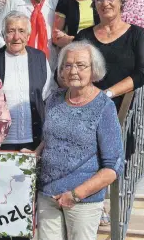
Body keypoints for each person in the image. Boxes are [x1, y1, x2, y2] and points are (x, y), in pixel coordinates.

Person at [36, 41, 124, 240]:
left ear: (94, 70)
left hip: (82, 200)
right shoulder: (55, 98)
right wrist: (36, 153)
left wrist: (75, 194)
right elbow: (49, 139)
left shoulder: (104, 107)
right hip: (47, 194)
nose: (73, 71)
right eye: (67, 65)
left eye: (80, 65)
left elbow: (113, 168)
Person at [74, 0, 144, 112]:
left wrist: (107, 94)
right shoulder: (83, 36)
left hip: (122, 109)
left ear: (121, 0)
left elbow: (141, 74)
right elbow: (65, 71)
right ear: (94, 3)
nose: (105, 3)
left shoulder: (137, 34)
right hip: (86, 108)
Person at [0, 12, 54, 152]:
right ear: (4, 35)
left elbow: (46, 96)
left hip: (34, 140)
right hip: (1, 141)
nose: (16, 37)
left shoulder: (40, 58)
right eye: (11, 31)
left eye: (21, 31)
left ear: (28, 35)